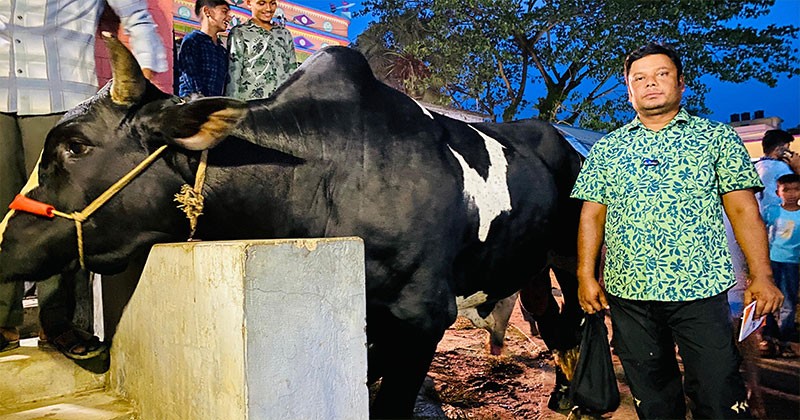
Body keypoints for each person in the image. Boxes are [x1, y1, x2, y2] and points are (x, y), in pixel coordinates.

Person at [572, 42, 783, 419]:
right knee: (652, 398)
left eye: (661, 74)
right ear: (629, 89)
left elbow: (742, 208)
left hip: (701, 290)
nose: (650, 83)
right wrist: (585, 275)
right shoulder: (608, 148)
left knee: (719, 394)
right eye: (640, 78)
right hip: (629, 293)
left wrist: (762, 275)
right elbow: (592, 214)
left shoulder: (716, 138)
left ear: (681, 84)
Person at [0, 0, 167, 358]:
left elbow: (135, 13)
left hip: (60, 93)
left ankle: (60, 323)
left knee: (60, 214)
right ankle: (3, 320)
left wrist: (146, 70)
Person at [761, 173, 800, 356]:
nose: (791, 194)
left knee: (789, 301)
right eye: (786, 190)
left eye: (796, 189)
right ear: (778, 192)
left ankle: (785, 339)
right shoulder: (771, 211)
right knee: (769, 298)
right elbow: (760, 231)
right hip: (771, 261)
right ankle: (768, 336)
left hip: (792, 262)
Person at [226, 0, 296, 100]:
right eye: (261, 3)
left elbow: (292, 72)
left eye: (272, 3)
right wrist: (232, 107)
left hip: (281, 106)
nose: (268, 8)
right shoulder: (239, 32)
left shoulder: (284, 34)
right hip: (252, 106)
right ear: (249, 3)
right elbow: (234, 74)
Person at [177, 0, 232, 97]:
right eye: (224, 11)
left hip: (214, 105)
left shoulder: (222, 51)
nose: (229, 17)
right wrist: (200, 98)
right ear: (207, 11)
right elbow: (190, 74)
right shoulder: (193, 40)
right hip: (193, 104)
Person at [754, 129, 800, 211]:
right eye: (788, 147)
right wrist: (797, 167)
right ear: (780, 150)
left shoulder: (756, 166)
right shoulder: (782, 168)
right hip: (781, 216)